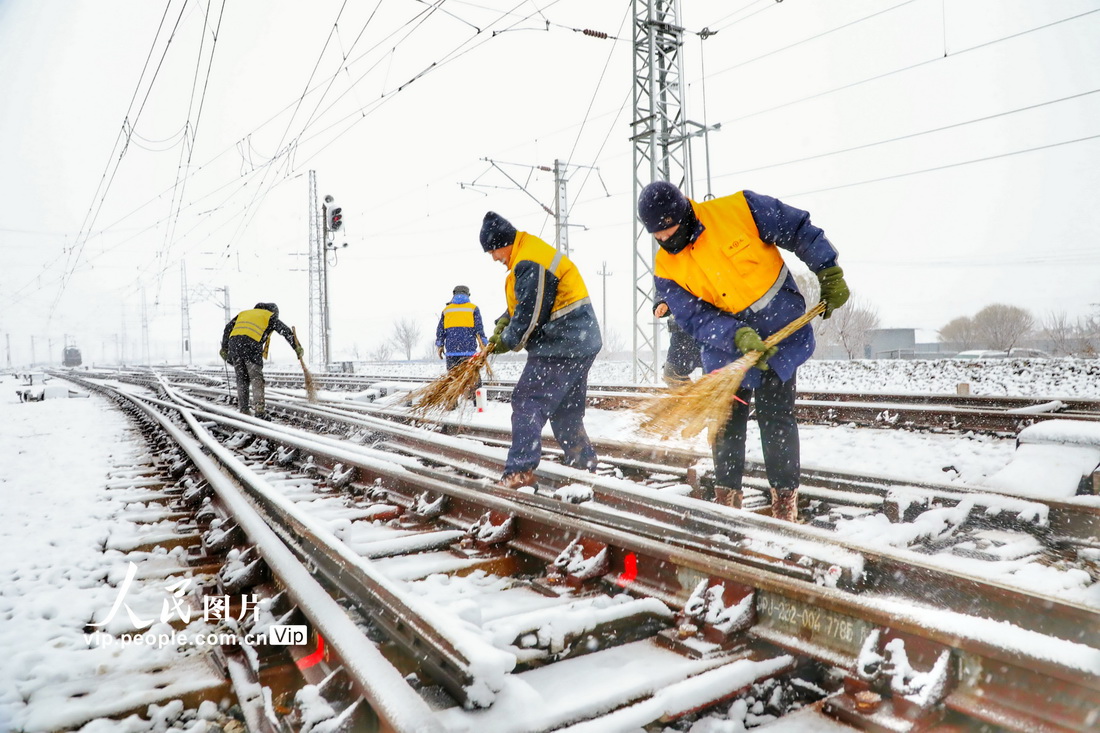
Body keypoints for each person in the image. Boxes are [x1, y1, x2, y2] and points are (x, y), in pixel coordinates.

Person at [636, 182, 850, 521]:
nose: (664, 241)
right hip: (727, 352)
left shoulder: (739, 210)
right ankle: (728, 503)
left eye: (668, 231)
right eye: (656, 236)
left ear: (684, 214)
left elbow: (796, 228)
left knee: (777, 420)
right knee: (726, 426)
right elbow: (693, 317)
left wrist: (827, 269)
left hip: (780, 338)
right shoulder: (666, 269)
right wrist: (735, 335)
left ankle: (784, 505)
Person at [480, 211, 603, 489]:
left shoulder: (529, 261)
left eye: (493, 251)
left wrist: (506, 340)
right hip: (580, 342)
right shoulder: (530, 253)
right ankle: (584, 467)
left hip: (561, 343)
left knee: (527, 402)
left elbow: (531, 315)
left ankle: (519, 472)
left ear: (502, 243)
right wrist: (504, 320)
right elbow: (527, 301)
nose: (495, 258)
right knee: (565, 410)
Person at [220, 302, 303, 419]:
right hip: (251, 346)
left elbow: (228, 327)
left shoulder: (244, 314)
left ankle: (243, 409)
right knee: (256, 378)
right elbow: (286, 331)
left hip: (235, 345)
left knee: (242, 378)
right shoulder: (269, 316)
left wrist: (224, 347)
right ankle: (259, 411)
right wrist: (297, 347)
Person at [435, 285, 488, 398]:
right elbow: (479, 329)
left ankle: (451, 403)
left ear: (454, 294)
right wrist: (483, 344)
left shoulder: (446, 310)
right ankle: (477, 401)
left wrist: (440, 345)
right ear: (468, 295)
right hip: (469, 351)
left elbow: (440, 330)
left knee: (452, 379)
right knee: (474, 377)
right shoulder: (473, 308)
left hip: (451, 352)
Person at [653, 299, 702, 386]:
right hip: (681, 334)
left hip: (711, 329)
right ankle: (694, 398)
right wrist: (663, 302)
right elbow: (664, 287)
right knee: (671, 374)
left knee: (715, 375)